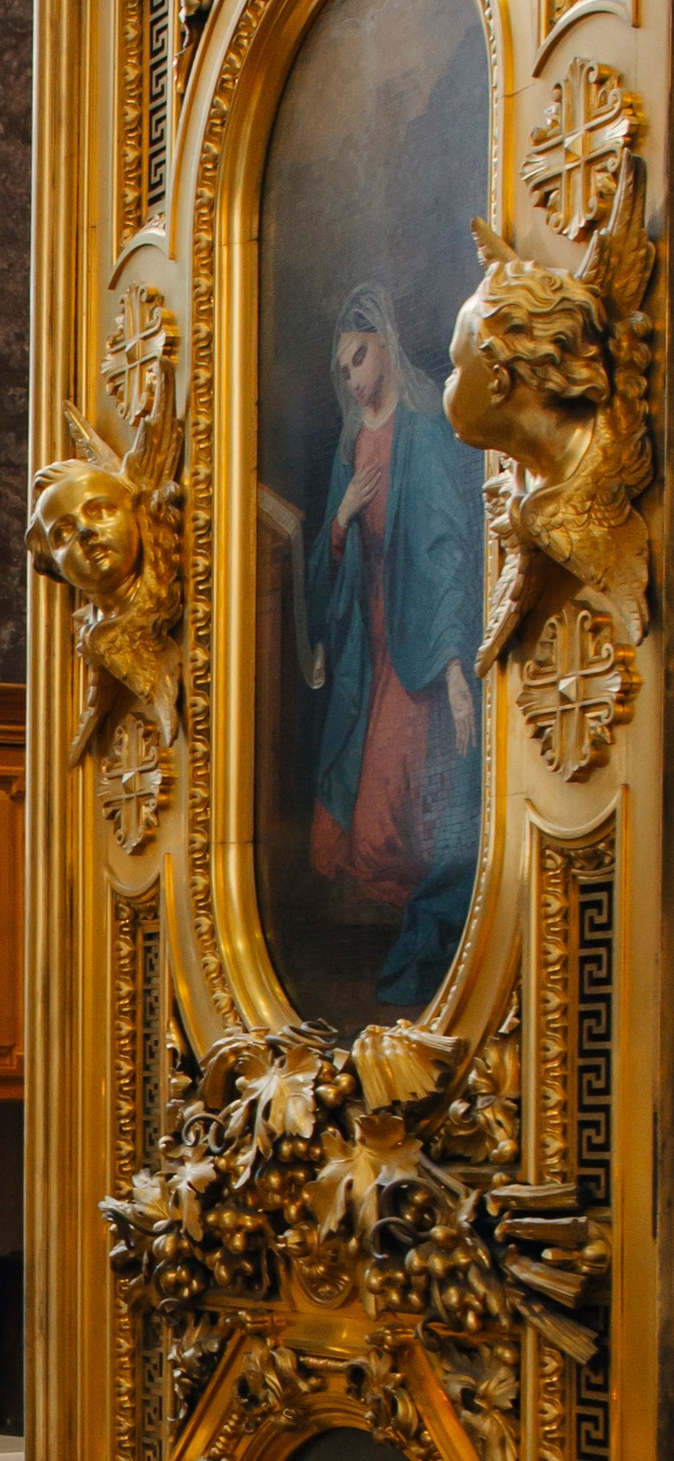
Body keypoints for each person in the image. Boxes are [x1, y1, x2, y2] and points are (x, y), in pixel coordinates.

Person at [304, 280, 483, 1005]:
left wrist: (454, 671)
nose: (352, 377)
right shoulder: (352, 447)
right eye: (342, 367)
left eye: (360, 357)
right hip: (364, 650)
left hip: (415, 648)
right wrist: (341, 518)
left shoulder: (423, 432)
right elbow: (324, 570)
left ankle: (430, 970)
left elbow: (447, 553)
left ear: (384, 345)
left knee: (388, 822)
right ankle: (400, 971)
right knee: (340, 836)